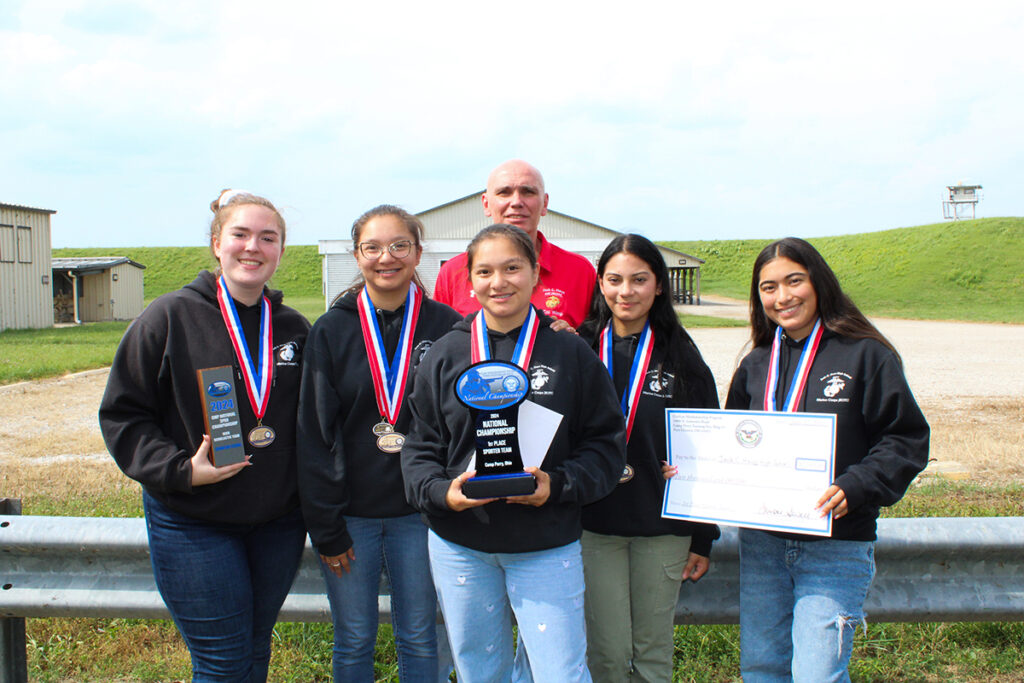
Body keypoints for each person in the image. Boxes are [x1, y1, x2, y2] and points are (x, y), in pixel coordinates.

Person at [99, 190, 310, 682]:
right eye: (240, 234)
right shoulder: (168, 317)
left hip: (277, 524)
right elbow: (124, 414)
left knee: (255, 653)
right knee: (222, 663)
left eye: (267, 237)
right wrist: (180, 470)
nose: (252, 247)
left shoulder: (294, 328)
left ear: (280, 251)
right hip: (195, 521)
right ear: (217, 243)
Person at [402, 224, 626, 682]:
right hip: (462, 544)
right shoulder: (444, 354)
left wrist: (558, 485)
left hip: (545, 543)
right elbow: (420, 446)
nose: (498, 281)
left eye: (511, 268)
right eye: (484, 271)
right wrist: (443, 493)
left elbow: (605, 445)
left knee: (559, 673)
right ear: (468, 280)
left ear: (535, 274)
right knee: (480, 672)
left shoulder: (571, 352)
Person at [725, 237, 929, 682]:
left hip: (835, 543)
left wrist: (856, 486)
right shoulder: (756, 363)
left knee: (819, 674)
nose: (783, 297)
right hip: (763, 544)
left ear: (818, 281)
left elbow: (906, 438)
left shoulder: (866, 354)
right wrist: (698, 474)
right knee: (761, 669)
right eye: (768, 287)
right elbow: (734, 445)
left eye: (794, 281)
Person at [297, 205, 461, 681]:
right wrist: (326, 526)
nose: (386, 257)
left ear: (417, 252)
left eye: (399, 246)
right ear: (357, 255)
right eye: (372, 247)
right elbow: (314, 432)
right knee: (353, 638)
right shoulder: (331, 329)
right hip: (352, 520)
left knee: (420, 636)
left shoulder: (447, 325)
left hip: (422, 516)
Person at [578, 234, 721, 683]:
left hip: (662, 527)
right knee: (606, 654)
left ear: (659, 285)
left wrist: (702, 537)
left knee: (653, 654)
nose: (627, 291)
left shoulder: (681, 353)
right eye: (615, 280)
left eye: (639, 279)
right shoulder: (578, 348)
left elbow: (709, 447)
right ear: (600, 284)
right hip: (593, 526)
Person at [433, 159, 596, 328]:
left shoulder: (580, 271)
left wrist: (571, 342)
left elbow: (596, 341)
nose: (517, 202)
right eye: (504, 192)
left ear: (545, 203)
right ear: (486, 204)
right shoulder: (452, 272)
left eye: (528, 192)